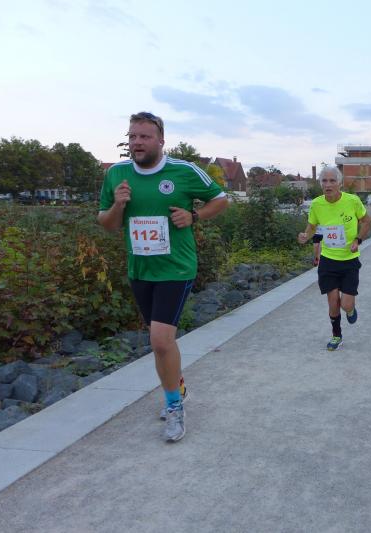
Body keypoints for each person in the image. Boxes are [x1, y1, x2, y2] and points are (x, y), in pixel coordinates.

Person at [98, 112, 228, 443]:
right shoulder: (116, 174)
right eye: (132, 137)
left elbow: (220, 199)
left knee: (159, 340)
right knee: (161, 345)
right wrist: (118, 205)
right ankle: (177, 386)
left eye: (144, 136)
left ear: (160, 141)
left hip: (176, 267)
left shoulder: (183, 171)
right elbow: (107, 224)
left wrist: (194, 215)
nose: (137, 142)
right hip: (140, 270)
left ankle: (174, 406)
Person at [298, 166, 371, 351]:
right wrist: (305, 235)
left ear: (340, 183)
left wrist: (357, 239)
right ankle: (336, 335)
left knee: (345, 304)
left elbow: (366, 221)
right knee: (332, 302)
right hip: (328, 260)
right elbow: (312, 226)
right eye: (324, 181)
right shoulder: (316, 204)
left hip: (349, 261)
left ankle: (351, 310)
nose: (328, 184)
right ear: (320, 184)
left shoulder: (352, 201)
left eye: (332, 181)